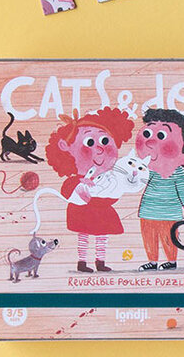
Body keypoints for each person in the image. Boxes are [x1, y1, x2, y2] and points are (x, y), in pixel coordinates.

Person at [46, 107, 134, 272]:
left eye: (105, 141)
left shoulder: (110, 178)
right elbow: (67, 189)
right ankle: (82, 262)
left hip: (102, 210)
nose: (99, 149)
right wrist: (81, 187)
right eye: (90, 142)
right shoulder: (77, 180)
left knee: (102, 236)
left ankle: (100, 262)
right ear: (66, 147)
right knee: (83, 235)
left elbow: (114, 194)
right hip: (82, 210)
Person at [135, 108, 184, 271]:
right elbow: (138, 182)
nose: (150, 143)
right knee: (149, 236)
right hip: (148, 211)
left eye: (161, 136)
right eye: (147, 134)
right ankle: (152, 261)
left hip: (170, 214)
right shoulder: (149, 171)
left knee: (169, 237)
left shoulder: (178, 173)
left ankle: (171, 261)